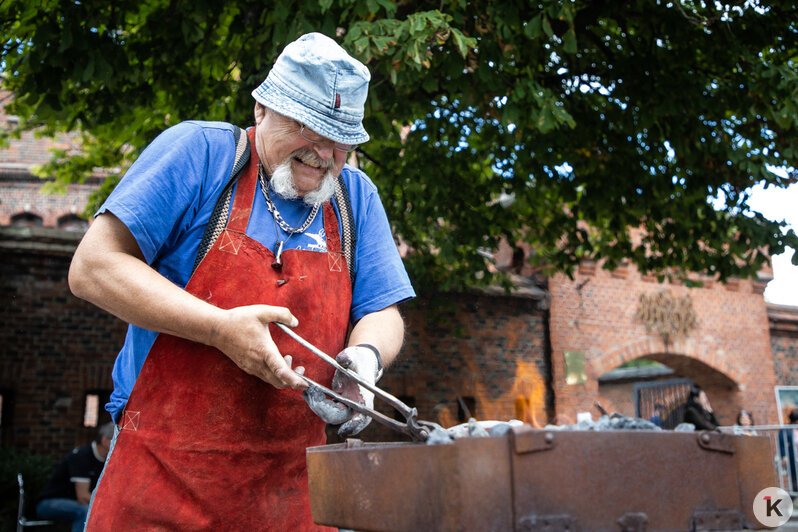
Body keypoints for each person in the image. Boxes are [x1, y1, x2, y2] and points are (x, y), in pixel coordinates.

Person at [68, 32, 415, 530]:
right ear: (260, 110)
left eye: (340, 138)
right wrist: (219, 329)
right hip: (160, 479)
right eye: (306, 126)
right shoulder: (202, 155)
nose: (323, 151)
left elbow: (383, 311)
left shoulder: (355, 198)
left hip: (294, 492)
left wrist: (364, 359)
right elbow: (94, 267)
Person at [35, 422, 114, 532]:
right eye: (116, 440)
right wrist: (110, 506)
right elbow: (82, 497)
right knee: (85, 511)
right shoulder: (82, 455)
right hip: (49, 503)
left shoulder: (108, 460)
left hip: (74, 504)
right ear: (105, 440)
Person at [779, 408, 798, 493]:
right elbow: (781, 443)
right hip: (794, 458)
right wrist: (784, 456)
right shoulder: (787, 429)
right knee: (795, 482)